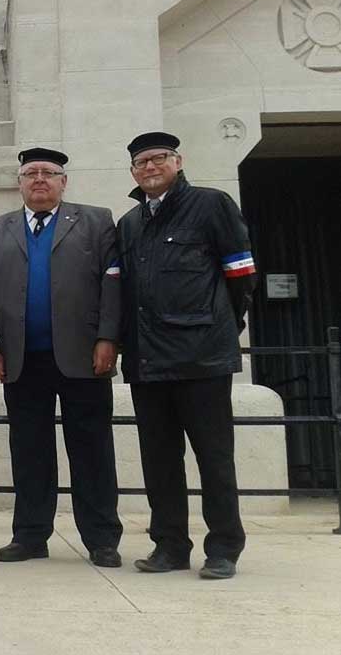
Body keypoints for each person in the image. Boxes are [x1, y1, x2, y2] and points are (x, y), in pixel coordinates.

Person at [116, 131, 257, 580]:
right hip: (147, 361)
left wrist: (218, 324)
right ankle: (170, 545)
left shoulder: (212, 204)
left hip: (202, 359)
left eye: (159, 158)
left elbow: (240, 274)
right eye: (142, 162)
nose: (150, 167)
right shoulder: (130, 222)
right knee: (159, 461)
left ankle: (224, 548)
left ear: (178, 162)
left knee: (214, 458)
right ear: (134, 173)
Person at [0, 147, 124, 567]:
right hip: (22, 359)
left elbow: (112, 284)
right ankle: (30, 535)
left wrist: (108, 338)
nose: (39, 179)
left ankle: (101, 538)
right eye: (30, 173)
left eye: (49, 173)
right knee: (29, 451)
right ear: (19, 182)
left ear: (64, 181)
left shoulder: (96, 221)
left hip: (84, 356)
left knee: (92, 450)